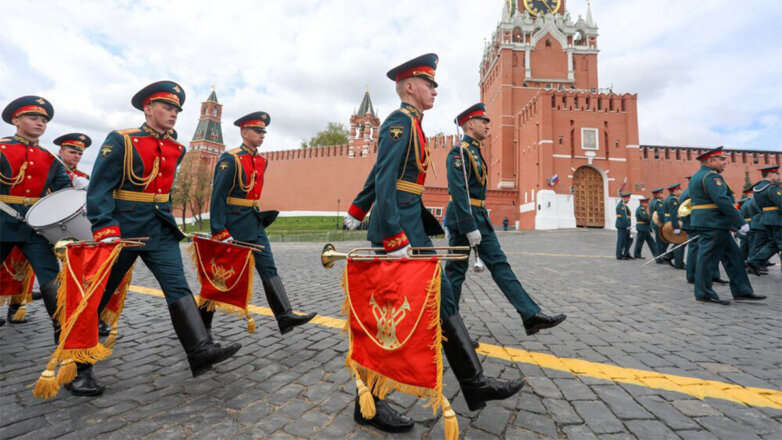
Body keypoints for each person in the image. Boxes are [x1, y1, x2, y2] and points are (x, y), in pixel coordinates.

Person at [345, 54, 524, 433]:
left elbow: (381, 173)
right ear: (410, 87)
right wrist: (392, 236)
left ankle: (475, 386)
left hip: (411, 226)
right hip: (399, 231)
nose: (435, 90)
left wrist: (359, 208)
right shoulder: (399, 122)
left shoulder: (413, 124)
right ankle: (369, 403)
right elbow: (387, 177)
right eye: (429, 84)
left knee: (441, 300)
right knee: (390, 315)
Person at [88, 81, 241, 395]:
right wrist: (105, 227)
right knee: (100, 295)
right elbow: (100, 187)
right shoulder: (121, 140)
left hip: (160, 230)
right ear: (148, 108)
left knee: (178, 285)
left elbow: (164, 190)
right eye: (167, 107)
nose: (173, 114)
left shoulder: (177, 148)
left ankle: (200, 350)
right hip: (124, 231)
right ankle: (78, 366)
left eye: (176, 109)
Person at [444, 103, 565, 338]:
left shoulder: (475, 151)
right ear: (470, 125)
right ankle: (450, 331)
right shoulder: (459, 152)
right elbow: (459, 192)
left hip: (478, 216)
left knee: (499, 265)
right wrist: (469, 226)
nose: (488, 125)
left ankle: (530, 315)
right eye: (483, 121)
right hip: (463, 218)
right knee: (455, 274)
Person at [209, 111, 316, 335]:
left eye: (263, 132)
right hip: (233, 225)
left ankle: (284, 316)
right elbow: (218, 196)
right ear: (244, 132)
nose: (262, 135)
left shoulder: (261, 161)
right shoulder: (231, 159)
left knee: (269, 267)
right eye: (257, 131)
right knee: (221, 277)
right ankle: (201, 324)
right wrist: (219, 230)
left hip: (254, 223)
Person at [0, 97, 75, 369]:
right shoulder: (1, 149)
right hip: (1, 222)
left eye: (44, 119)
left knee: (53, 282)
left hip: (34, 229)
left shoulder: (49, 157)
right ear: (15, 120)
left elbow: (65, 192)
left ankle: (67, 347)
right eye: (33, 117)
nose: (41, 122)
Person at [53, 133, 112, 336]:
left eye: (80, 153)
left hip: (76, 231)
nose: (76, 156)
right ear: (60, 151)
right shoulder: (49, 170)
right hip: (49, 229)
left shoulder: (84, 178)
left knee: (83, 275)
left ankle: (87, 317)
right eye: (72, 152)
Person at [689, 147, 764, 304]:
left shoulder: (700, 176)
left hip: (713, 222)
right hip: (713, 223)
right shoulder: (711, 177)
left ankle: (742, 290)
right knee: (708, 258)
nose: (725, 162)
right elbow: (722, 200)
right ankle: (703, 293)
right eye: (721, 159)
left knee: (734, 257)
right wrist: (740, 222)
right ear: (710, 161)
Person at [747, 165, 782, 275]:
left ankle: (754, 262)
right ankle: (754, 261)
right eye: (777, 174)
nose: (778, 176)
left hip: (766, 219)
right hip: (777, 220)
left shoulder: (757, 189)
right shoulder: (772, 188)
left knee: (773, 244)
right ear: (771, 174)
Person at [663, 183, 685, 269]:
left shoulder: (669, 198)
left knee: (679, 242)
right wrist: (676, 227)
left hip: (670, 223)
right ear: (674, 191)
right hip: (673, 224)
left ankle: (668, 256)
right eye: (679, 189)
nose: (681, 191)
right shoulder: (673, 200)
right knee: (680, 241)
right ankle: (679, 263)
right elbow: (674, 215)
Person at [650, 187, 669, 264]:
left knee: (660, 241)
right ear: (657, 194)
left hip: (654, 224)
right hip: (658, 224)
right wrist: (666, 222)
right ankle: (659, 258)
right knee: (661, 241)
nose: (662, 194)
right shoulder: (658, 203)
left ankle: (661, 256)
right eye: (661, 193)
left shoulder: (653, 201)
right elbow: (661, 215)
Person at [615, 192, 633, 259]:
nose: (628, 200)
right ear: (624, 198)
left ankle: (626, 253)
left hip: (625, 226)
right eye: (628, 198)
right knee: (621, 240)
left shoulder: (624, 206)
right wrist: (628, 226)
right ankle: (619, 255)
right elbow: (624, 218)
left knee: (629, 239)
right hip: (622, 226)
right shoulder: (621, 206)